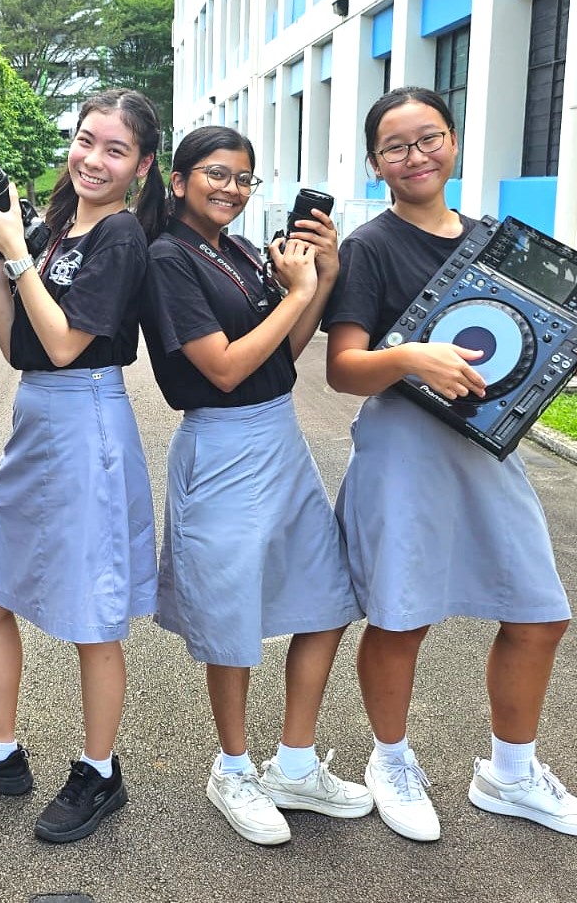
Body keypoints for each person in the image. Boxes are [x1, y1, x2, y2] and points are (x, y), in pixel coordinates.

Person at [322, 86, 577, 842]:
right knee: (402, 615)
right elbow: (343, 368)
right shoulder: (370, 247)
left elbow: (530, 350)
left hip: (486, 449)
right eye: (395, 146)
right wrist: (409, 357)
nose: (415, 156)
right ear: (375, 165)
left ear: (453, 142)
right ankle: (391, 761)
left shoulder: (501, 244)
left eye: (429, 138)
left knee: (539, 612)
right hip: (404, 450)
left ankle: (510, 775)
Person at [0, 89, 162, 844]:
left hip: (87, 417)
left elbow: (65, 345)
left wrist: (20, 256)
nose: (93, 158)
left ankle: (100, 770)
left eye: (115, 149)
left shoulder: (120, 236)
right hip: (39, 416)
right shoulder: (59, 229)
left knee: (93, 615)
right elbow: (21, 347)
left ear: (142, 166)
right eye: (86, 140)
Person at [142, 125, 373, 846]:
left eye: (244, 178)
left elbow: (281, 356)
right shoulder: (167, 258)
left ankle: (295, 764)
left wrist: (321, 279)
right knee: (230, 614)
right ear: (178, 180)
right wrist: (297, 293)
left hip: (280, 437)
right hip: (220, 445)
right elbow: (224, 368)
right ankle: (234, 768)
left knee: (328, 595)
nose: (232, 188)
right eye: (217, 173)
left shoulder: (240, 251)